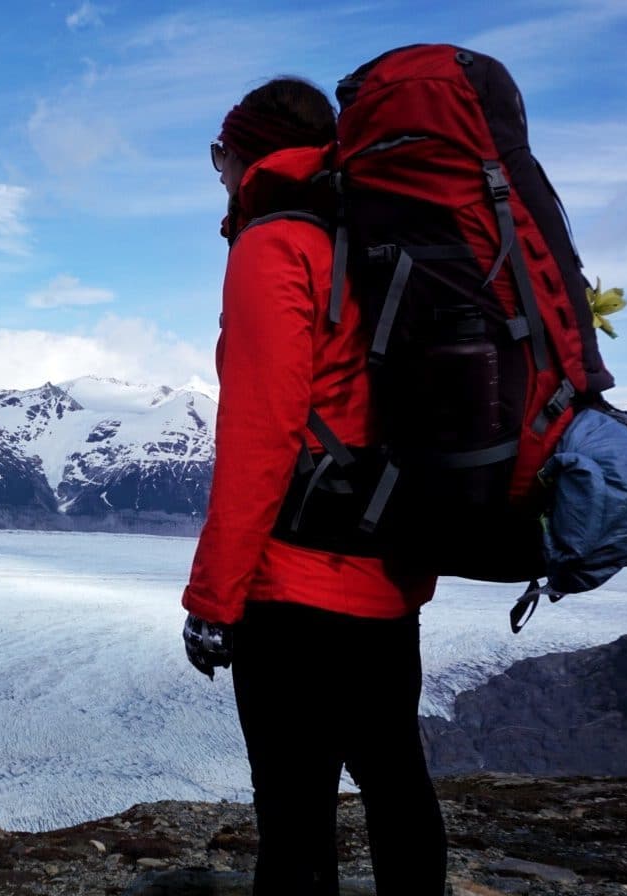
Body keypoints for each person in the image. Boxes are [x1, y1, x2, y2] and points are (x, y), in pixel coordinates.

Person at [179, 77, 448, 895]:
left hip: (296, 589)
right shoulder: (370, 236)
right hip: (387, 577)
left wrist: (213, 600)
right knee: (397, 781)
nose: (218, 175)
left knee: (294, 812)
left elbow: (261, 437)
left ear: (245, 152)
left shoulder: (276, 244)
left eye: (219, 156)